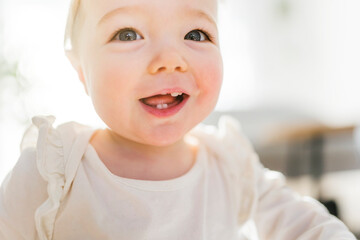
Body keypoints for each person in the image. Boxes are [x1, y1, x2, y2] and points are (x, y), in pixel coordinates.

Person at [0, 0, 356, 239]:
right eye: (128, 34)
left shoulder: (230, 165)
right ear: (80, 70)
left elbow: (306, 224)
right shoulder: (53, 172)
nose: (170, 59)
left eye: (196, 34)